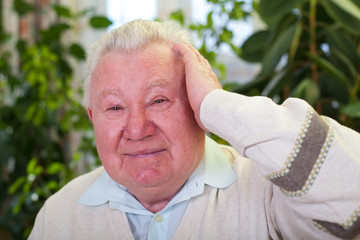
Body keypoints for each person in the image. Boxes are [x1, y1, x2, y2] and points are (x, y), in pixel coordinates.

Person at [29, 19, 360, 240]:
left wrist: (219, 104)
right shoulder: (59, 215)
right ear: (92, 118)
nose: (137, 129)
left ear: (195, 105)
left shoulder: (268, 194)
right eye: (114, 108)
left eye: (158, 100)